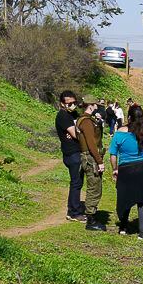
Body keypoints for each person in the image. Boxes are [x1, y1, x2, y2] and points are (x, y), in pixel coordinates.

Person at [109, 105, 143, 239]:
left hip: (126, 170)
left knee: (125, 198)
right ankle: (142, 233)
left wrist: (115, 169)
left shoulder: (119, 134)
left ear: (129, 117)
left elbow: (113, 154)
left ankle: (123, 227)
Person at [75, 97, 107, 231]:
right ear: (91, 106)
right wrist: (99, 161)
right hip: (91, 157)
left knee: (94, 186)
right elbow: (91, 143)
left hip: (88, 156)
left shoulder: (85, 120)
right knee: (94, 187)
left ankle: (91, 215)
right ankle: (91, 219)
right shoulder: (87, 122)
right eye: (95, 105)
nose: (97, 107)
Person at [54, 90, 85, 221]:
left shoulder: (74, 114)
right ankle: (74, 212)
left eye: (74, 102)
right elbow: (76, 134)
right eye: (69, 103)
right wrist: (80, 133)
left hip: (77, 152)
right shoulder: (63, 116)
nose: (72, 105)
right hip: (72, 153)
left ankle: (72, 209)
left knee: (77, 182)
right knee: (76, 183)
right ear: (62, 104)